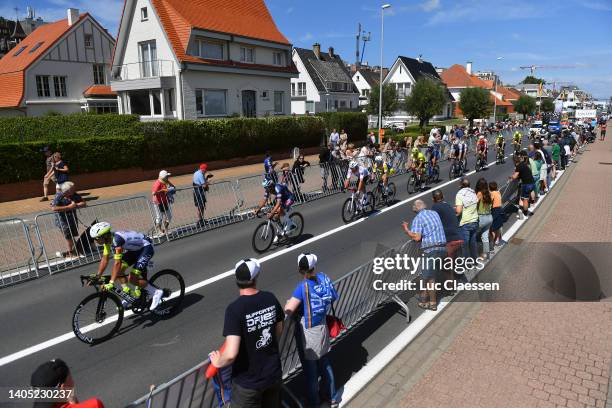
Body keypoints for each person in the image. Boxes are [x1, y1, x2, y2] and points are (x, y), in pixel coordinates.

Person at [209, 259, 284, 408]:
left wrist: (218, 362)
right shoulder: (270, 298)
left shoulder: (234, 309)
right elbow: (279, 329)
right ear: (256, 277)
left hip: (248, 384)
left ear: (236, 280)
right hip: (273, 373)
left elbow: (231, 353)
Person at [285, 253, 340, 408]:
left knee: (311, 371)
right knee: (324, 362)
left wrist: (287, 304)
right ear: (314, 267)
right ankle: (332, 396)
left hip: (308, 333)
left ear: (299, 269)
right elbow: (333, 296)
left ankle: (314, 403)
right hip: (322, 326)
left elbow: (289, 310)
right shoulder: (324, 278)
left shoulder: (302, 287)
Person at [89, 222, 164, 310]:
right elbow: (105, 259)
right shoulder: (108, 241)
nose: (96, 241)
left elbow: (117, 263)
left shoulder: (117, 240)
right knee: (120, 271)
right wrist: (98, 276)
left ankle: (156, 292)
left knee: (132, 278)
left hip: (146, 248)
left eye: (97, 239)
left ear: (105, 236)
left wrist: (111, 282)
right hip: (135, 250)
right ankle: (129, 296)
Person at [403, 200, 446, 311]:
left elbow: (417, 237)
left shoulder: (418, 219)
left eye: (413, 205)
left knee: (429, 277)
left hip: (430, 249)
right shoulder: (434, 213)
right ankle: (424, 299)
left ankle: (432, 303)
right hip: (442, 247)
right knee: (430, 274)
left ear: (415, 208)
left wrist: (407, 230)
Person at [31, 358, 105, 408]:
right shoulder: (95, 405)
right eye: (71, 378)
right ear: (63, 388)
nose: (73, 382)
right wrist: (75, 404)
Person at [431, 190, 463, 287]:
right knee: (454, 261)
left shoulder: (435, 207)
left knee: (446, 267)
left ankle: (451, 288)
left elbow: (433, 223)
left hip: (450, 241)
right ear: (443, 197)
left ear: (433, 199)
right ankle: (459, 278)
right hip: (458, 237)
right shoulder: (447, 205)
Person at [52, 181, 86, 260]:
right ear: (67, 190)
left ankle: (74, 251)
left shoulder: (74, 195)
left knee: (72, 235)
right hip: (63, 221)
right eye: (72, 189)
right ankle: (71, 253)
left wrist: (76, 205)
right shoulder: (59, 196)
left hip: (72, 219)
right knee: (68, 237)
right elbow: (54, 208)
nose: (74, 190)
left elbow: (84, 203)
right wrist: (69, 207)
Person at [455, 178, 479, 261]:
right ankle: (475, 260)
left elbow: (458, 211)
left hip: (465, 223)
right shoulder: (473, 192)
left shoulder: (460, 194)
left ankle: (467, 263)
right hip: (475, 221)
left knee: (464, 245)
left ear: (461, 185)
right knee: (473, 243)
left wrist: (454, 209)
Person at [510, 152, 535, 219]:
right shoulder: (523, 164)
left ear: (515, 162)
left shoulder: (518, 166)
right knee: (523, 198)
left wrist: (511, 177)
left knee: (525, 199)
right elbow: (522, 174)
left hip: (526, 184)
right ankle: (522, 209)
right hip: (532, 183)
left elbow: (515, 177)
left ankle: (525, 213)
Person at [152, 170, 175, 236]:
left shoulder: (165, 182)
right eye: (167, 176)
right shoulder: (158, 183)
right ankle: (159, 230)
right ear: (163, 177)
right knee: (159, 217)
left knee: (169, 216)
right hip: (158, 202)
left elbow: (174, 188)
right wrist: (162, 190)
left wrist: (169, 183)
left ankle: (165, 229)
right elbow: (153, 193)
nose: (168, 177)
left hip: (165, 201)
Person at [475, 178, 493, 259]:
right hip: (489, 217)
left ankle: (474, 254)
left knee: (473, 235)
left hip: (481, 218)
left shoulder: (479, 193)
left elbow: (474, 203)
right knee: (485, 236)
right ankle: (486, 253)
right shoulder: (489, 193)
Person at [193, 163, 213, 227]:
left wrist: (206, 177)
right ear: (203, 169)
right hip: (199, 192)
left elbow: (202, 183)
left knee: (201, 206)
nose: (206, 171)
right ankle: (200, 221)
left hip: (197, 191)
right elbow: (204, 185)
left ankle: (201, 219)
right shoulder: (200, 175)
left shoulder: (197, 172)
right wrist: (208, 182)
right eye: (206, 170)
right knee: (200, 207)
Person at [488, 181, 506, 247]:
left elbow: (490, 202)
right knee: (498, 226)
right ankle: (498, 238)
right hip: (500, 209)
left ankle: (493, 240)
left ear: (489, 188)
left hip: (494, 210)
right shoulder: (498, 192)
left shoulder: (492, 194)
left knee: (492, 227)